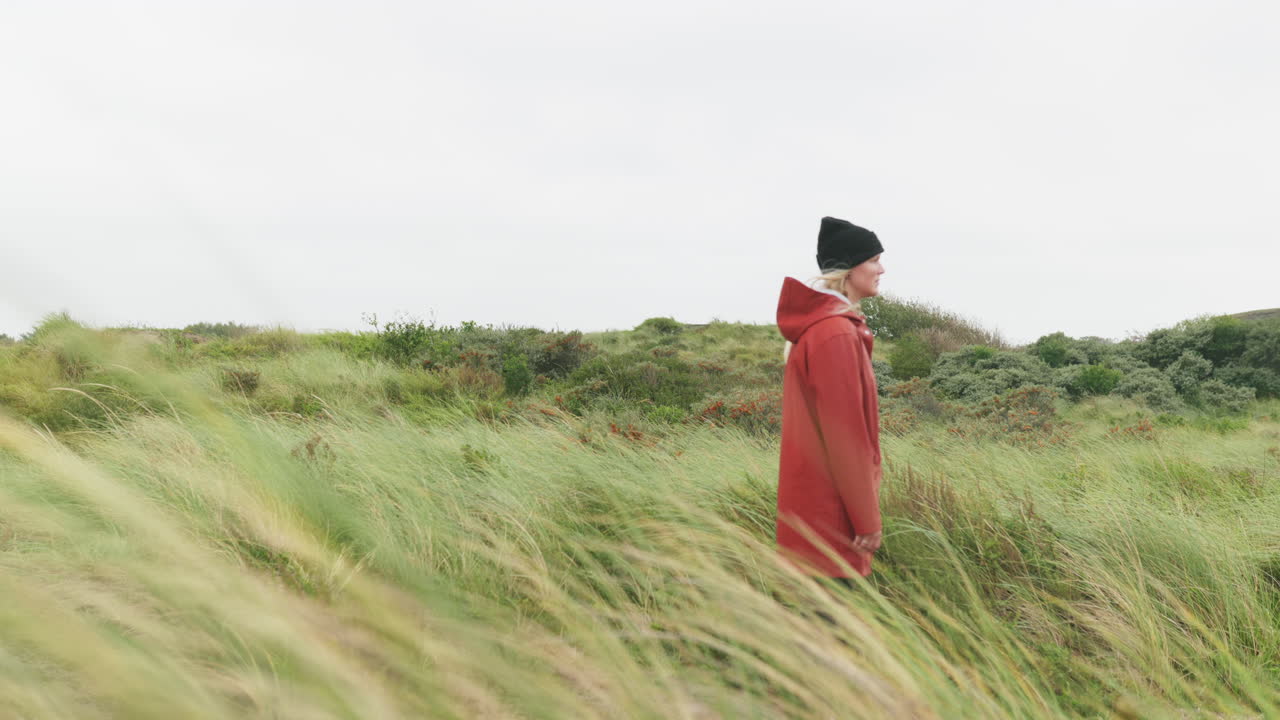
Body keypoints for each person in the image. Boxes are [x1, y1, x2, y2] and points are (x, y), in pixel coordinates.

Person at [775, 216, 886, 586]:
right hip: (831, 524)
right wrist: (867, 520)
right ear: (852, 268)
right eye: (874, 260)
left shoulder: (830, 328)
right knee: (827, 639)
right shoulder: (835, 334)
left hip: (819, 519)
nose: (881, 269)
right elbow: (845, 437)